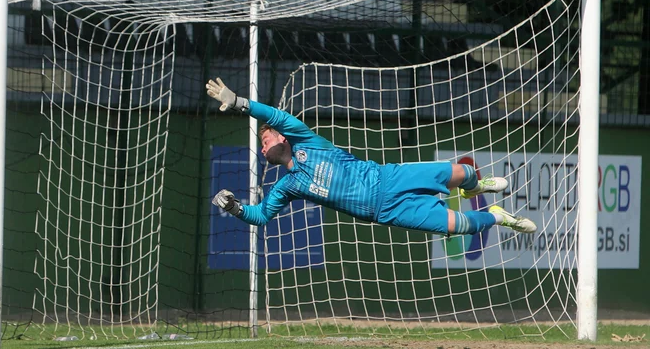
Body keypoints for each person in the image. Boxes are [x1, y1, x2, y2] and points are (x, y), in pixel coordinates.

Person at [205, 77, 536, 235]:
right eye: (261, 147)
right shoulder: (288, 186)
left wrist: (238, 102)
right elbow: (261, 216)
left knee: (463, 173)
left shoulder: (308, 140)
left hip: (388, 178)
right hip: (389, 211)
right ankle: (497, 216)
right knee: (461, 227)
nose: (263, 148)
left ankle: (474, 188)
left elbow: (275, 115)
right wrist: (234, 207)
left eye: (265, 140)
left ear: (282, 138)